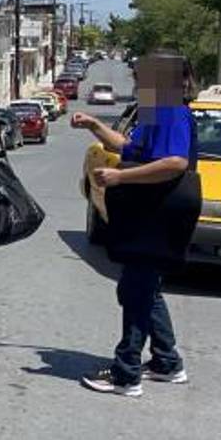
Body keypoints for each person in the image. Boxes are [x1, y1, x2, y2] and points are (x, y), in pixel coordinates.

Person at [73, 52, 196, 397]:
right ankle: (165, 362)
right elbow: (131, 146)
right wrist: (95, 126)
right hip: (150, 212)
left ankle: (126, 374)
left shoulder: (171, 110)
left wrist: (120, 176)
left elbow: (174, 162)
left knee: (137, 291)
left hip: (158, 213)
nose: (138, 81)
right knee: (144, 288)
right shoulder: (157, 112)